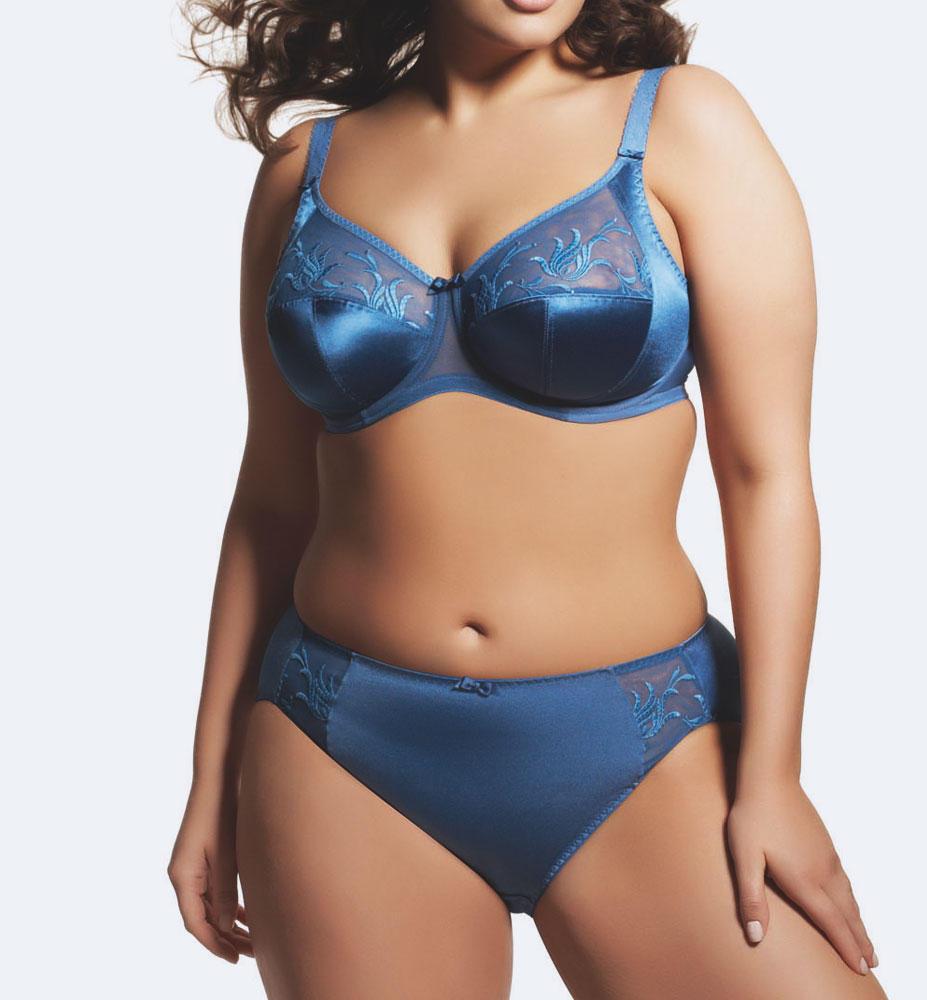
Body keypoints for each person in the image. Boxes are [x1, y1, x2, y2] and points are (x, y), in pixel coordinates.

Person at [168, 2, 888, 997]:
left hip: (644, 742)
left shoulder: (683, 124)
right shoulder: (304, 170)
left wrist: (772, 776)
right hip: (340, 746)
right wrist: (210, 779)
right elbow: (271, 501)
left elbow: (766, 475)